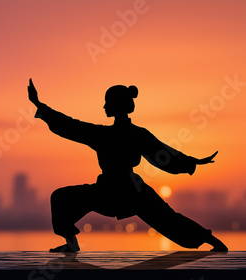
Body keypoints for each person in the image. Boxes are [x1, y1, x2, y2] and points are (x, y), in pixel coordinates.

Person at [27, 78, 228, 252]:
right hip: (129, 190)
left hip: (112, 192)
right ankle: (213, 240)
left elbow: (70, 126)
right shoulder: (133, 134)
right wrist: (192, 162)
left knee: (61, 197)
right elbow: (164, 155)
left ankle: (71, 242)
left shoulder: (104, 135)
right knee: (168, 219)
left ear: (115, 106)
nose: (104, 107)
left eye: (107, 103)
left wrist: (40, 106)